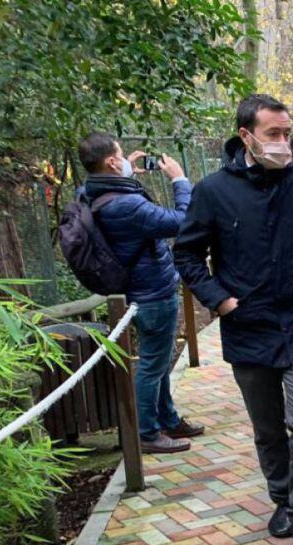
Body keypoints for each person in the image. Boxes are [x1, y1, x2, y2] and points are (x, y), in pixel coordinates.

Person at [174, 94, 293, 545]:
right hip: (249, 327)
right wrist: (219, 300)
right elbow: (185, 253)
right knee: (268, 427)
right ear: (246, 136)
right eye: (274, 135)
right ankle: (283, 499)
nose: (284, 143)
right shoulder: (213, 191)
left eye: (287, 134)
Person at [76, 133, 205, 455]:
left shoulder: (95, 193)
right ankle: (147, 432)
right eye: (120, 156)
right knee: (151, 365)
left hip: (142, 289)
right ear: (111, 161)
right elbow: (183, 222)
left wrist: (125, 176)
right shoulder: (125, 204)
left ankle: (168, 419)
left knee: (158, 362)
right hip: (151, 294)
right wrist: (180, 181)